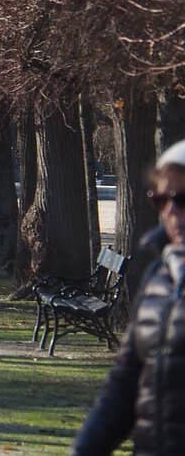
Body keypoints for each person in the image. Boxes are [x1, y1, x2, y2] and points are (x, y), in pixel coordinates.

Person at [71, 138, 185, 455]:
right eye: (161, 200)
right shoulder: (160, 278)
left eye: (182, 199)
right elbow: (126, 384)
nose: (172, 211)